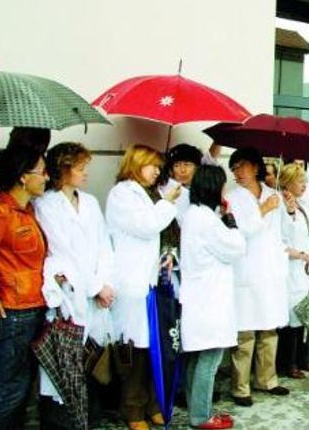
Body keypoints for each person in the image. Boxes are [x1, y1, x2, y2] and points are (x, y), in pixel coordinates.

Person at [34, 143, 115, 429]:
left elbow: (104, 245)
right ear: (62, 170)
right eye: (80, 168)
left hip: (95, 296)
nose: (85, 173)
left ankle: (88, 418)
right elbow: (63, 251)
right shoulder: (45, 205)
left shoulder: (91, 202)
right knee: (64, 364)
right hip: (69, 296)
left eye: (85, 168)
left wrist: (105, 283)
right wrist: (95, 286)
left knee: (92, 359)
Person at [105, 144, 179, 430]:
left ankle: (153, 404)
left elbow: (157, 236)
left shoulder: (147, 194)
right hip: (131, 282)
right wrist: (168, 203)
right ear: (137, 163)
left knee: (153, 349)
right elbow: (147, 226)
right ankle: (134, 409)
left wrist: (167, 256)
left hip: (149, 281)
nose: (158, 172)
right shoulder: (122, 194)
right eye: (154, 166)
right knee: (135, 351)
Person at [0, 145, 48, 430]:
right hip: (13, 311)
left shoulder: (26, 210)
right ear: (23, 176)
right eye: (42, 172)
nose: (46, 177)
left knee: (22, 386)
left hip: (31, 306)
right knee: (13, 387)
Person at [179, 165, 246, 430]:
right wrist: (231, 221)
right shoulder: (207, 220)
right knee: (210, 358)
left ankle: (199, 410)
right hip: (210, 298)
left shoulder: (195, 215)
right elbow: (236, 247)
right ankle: (201, 416)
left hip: (200, 296)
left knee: (198, 358)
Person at [227, 148, 291, 407]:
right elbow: (240, 232)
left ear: (255, 167)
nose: (238, 172)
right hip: (245, 270)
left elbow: (283, 231)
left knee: (269, 327)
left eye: (242, 166)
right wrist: (263, 209)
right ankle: (240, 386)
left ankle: (267, 379)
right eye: (234, 168)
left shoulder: (272, 193)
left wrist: (290, 208)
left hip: (270, 270)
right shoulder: (231, 198)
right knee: (245, 333)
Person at [278, 163, 309, 379]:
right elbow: (281, 241)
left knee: (307, 314)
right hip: (293, 268)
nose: (304, 185)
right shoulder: (280, 206)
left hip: (308, 269)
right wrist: (302, 255)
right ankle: (289, 362)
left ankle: (304, 358)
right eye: (299, 181)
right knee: (293, 316)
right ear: (286, 183)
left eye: (305, 181)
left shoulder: (304, 205)